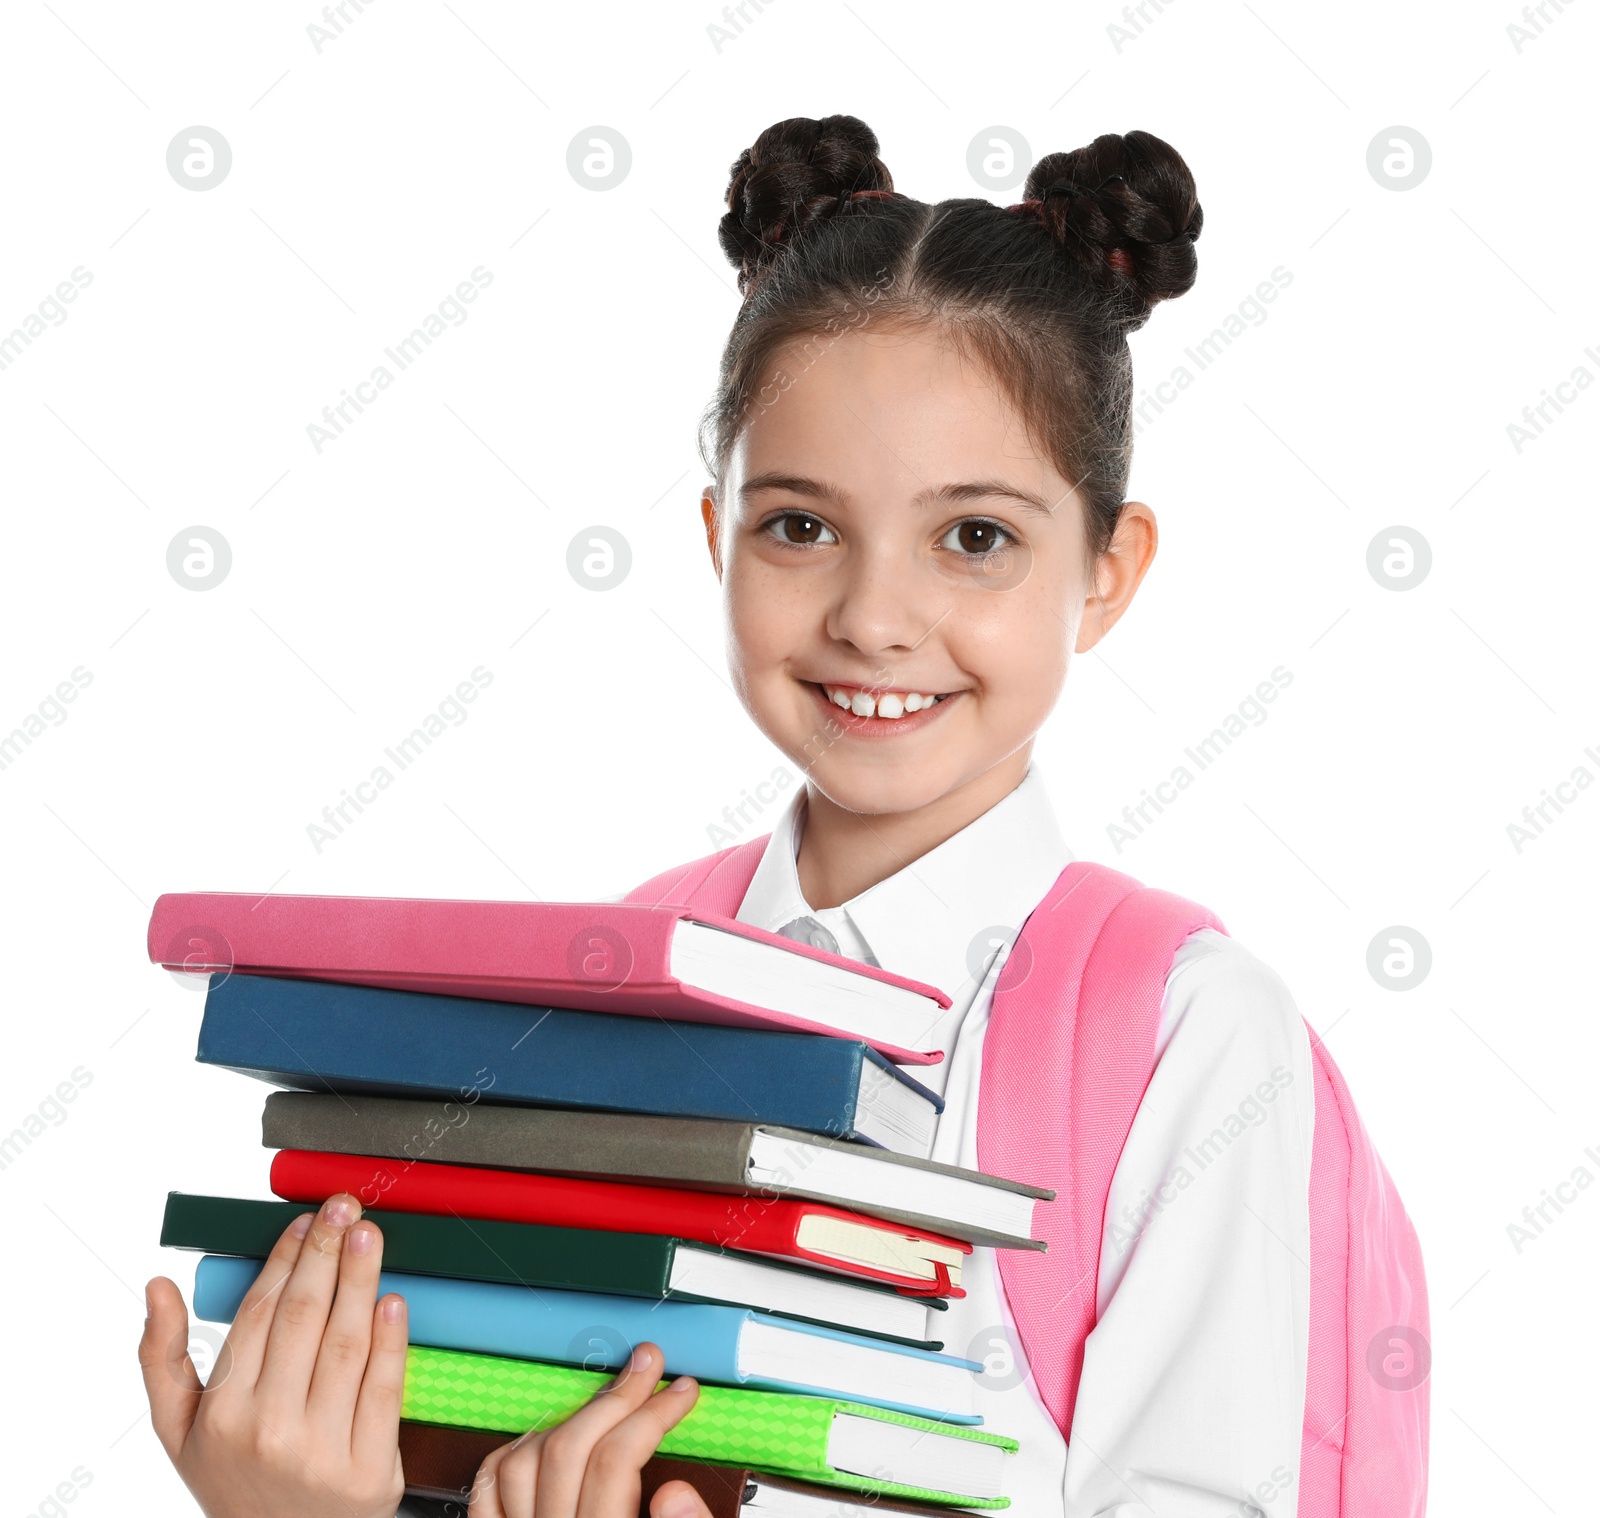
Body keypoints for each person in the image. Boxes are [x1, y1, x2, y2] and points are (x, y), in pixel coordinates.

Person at [139, 113, 1320, 1517]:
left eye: (978, 537)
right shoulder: (624, 970)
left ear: (1109, 569)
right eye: (801, 526)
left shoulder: (1184, 1027)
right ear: (717, 534)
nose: (877, 617)